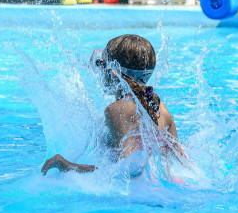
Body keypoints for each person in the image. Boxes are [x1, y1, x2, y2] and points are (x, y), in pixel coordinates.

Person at [41, 34, 186, 176]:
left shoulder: (118, 110)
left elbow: (130, 171)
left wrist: (70, 167)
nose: (99, 72)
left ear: (113, 72)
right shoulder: (159, 106)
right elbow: (181, 160)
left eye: (102, 65)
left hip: (141, 194)